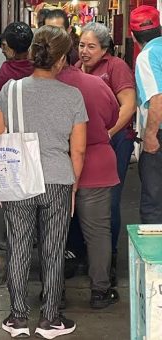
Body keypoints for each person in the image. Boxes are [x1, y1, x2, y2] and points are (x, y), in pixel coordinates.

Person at [0, 25, 87, 338]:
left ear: (34, 53)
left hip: (19, 179)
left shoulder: (11, 90)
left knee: (18, 247)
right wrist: (72, 187)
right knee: (53, 250)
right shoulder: (72, 95)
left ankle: (18, 318)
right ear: (61, 60)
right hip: (58, 179)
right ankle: (50, 319)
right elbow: (79, 149)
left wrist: (1, 182)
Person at [76, 22, 137, 286]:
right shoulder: (77, 69)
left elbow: (129, 104)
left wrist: (109, 132)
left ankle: (108, 258)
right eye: (81, 45)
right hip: (83, 144)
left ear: (105, 49)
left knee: (108, 202)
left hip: (114, 142)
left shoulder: (115, 67)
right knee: (82, 200)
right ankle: (84, 255)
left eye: (91, 47)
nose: (85, 51)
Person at [57, 64, 120, 309]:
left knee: (53, 233)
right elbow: (113, 116)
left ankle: (54, 294)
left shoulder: (40, 87)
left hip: (55, 165)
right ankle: (100, 292)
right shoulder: (95, 84)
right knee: (98, 232)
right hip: (96, 164)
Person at [130, 6, 162, 223]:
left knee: (154, 203)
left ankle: (155, 256)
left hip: (159, 134)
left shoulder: (147, 56)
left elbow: (157, 98)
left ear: (133, 36)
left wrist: (150, 136)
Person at [0, 22, 34, 94]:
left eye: (4, 45)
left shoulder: (7, 68)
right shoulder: (37, 67)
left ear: (14, 46)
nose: (2, 50)